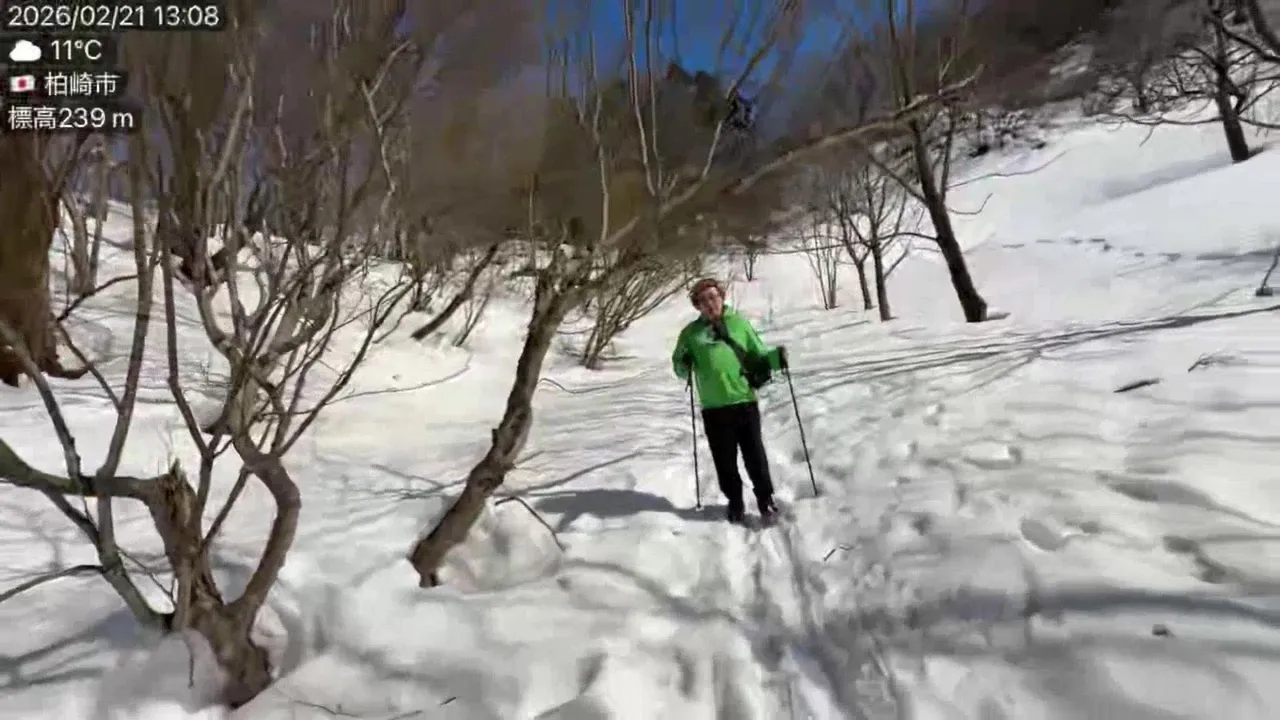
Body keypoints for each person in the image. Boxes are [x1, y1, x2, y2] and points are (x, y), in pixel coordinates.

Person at [671, 277, 788, 525]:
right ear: (697, 306)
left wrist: (778, 359)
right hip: (714, 408)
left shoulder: (739, 323)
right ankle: (735, 502)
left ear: (722, 297)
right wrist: (683, 363)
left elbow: (759, 354)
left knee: (755, 456)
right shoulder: (690, 334)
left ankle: (765, 499)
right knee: (724, 461)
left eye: (713, 297)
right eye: (703, 300)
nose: (709, 303)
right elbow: (679, 369)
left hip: (744, 401)